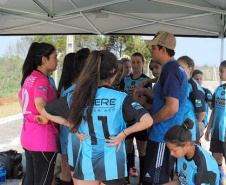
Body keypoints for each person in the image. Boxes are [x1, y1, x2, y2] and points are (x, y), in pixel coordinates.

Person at [35, 50, 153, 185]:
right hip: (112, 163)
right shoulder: (121, 97)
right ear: (113, 71)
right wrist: (123, 134)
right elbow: (147, 121)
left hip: (87, 162)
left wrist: (72, 125)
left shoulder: (76, 96)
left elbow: (45, 111)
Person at [143, 31, 188, 184]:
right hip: (165, 133)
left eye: (153, 47)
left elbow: (172, 107)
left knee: (156, 180)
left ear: (163, 49)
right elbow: (164, 98)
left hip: (162, 134)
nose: (151, 51)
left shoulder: (170, 70)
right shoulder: (173, 69)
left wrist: (150, 121)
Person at [18, 42, 59, 185]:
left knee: (29, 180)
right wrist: (50, 118)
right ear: (44, 59)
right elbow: (40, 104)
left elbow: (20, 98)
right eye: (54, 57)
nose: (57, 60)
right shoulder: (42, 79)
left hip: (29, 136)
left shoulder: (29, 77)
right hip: (43, 139)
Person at [120, 52, 150, 185]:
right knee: (127, 148)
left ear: (143, 63)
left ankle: (142, 179)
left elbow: (145, 102)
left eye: (138, 62)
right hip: (127, 119)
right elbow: (121, 99)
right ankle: (127, 176)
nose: (135, 65)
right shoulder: (125, 79)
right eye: (133, 62)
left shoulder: (146, 80)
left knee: (142, 149)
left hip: (140, 119)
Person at [164, 118, 219, 185]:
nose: (171, 153)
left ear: (187, 145)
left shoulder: (203, 168)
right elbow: (181, 180)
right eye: (170, 150)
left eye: (174, 150)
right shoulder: (184, 152)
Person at [205, 60, 226, 184]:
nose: (219, 74)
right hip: (217, 134)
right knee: (216, 163)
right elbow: (214, 110)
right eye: (219, 71)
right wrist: (208, 129)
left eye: (222, 71)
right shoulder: (218, 90)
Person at [178, 56, 206, 140]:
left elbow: (201, 112)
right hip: (179, 126)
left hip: (190, 130)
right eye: (177, 67)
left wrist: (196, 124)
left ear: (190, 69)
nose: (179, 70)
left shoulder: (194, 88)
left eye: (182, 68)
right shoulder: (181, 83)